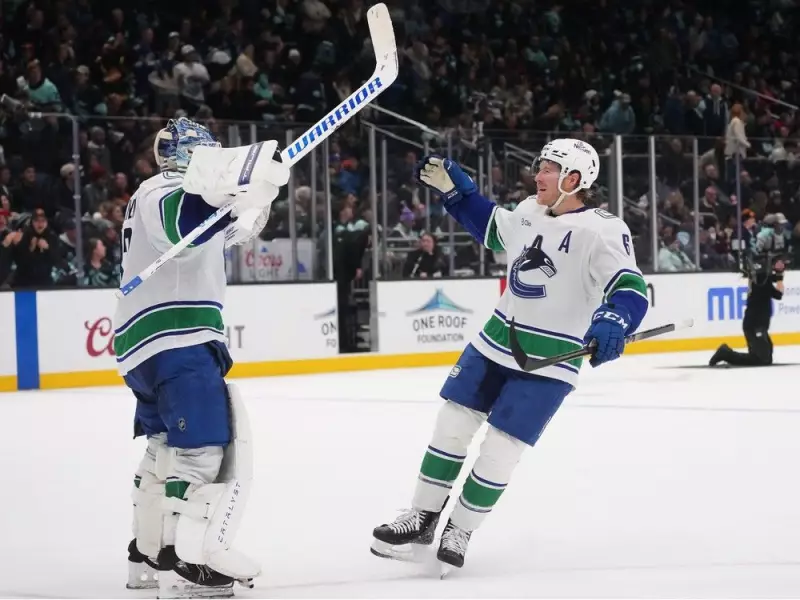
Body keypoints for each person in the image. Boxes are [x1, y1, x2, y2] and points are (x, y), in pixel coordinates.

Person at [370, 139, 649, 573]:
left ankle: (460, 528)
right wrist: (458, 193)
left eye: (549, 169)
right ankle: (422, 517)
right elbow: (492, 227)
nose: (538, 175)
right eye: (540, 167)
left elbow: (630, 286)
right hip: (495, 343)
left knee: (500, 451)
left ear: (574, 179)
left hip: (551, 362)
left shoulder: (603, 230)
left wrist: (615, 318)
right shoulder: (528, 210)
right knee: (451, 427)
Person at [115, 118, 289, 598]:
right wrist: (231, 191)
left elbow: (225, 231)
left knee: (164, 448)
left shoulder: (163, 194)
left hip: (148, 342)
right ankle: (187, 564)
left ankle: (148, 554)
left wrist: (254, 196)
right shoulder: (163, 189)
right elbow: (184, 223)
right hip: (178, 337)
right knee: (200, 451)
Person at [709, 259, 785, 367]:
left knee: (765, 358)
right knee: (762, 359)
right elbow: (778, 294)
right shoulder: (761, 282)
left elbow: (773, 284)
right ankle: (726, 354)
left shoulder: (759, 280)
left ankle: (727, 353)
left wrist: (778, 274)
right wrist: (779, 275)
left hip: (756, 324)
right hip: (755, 325)